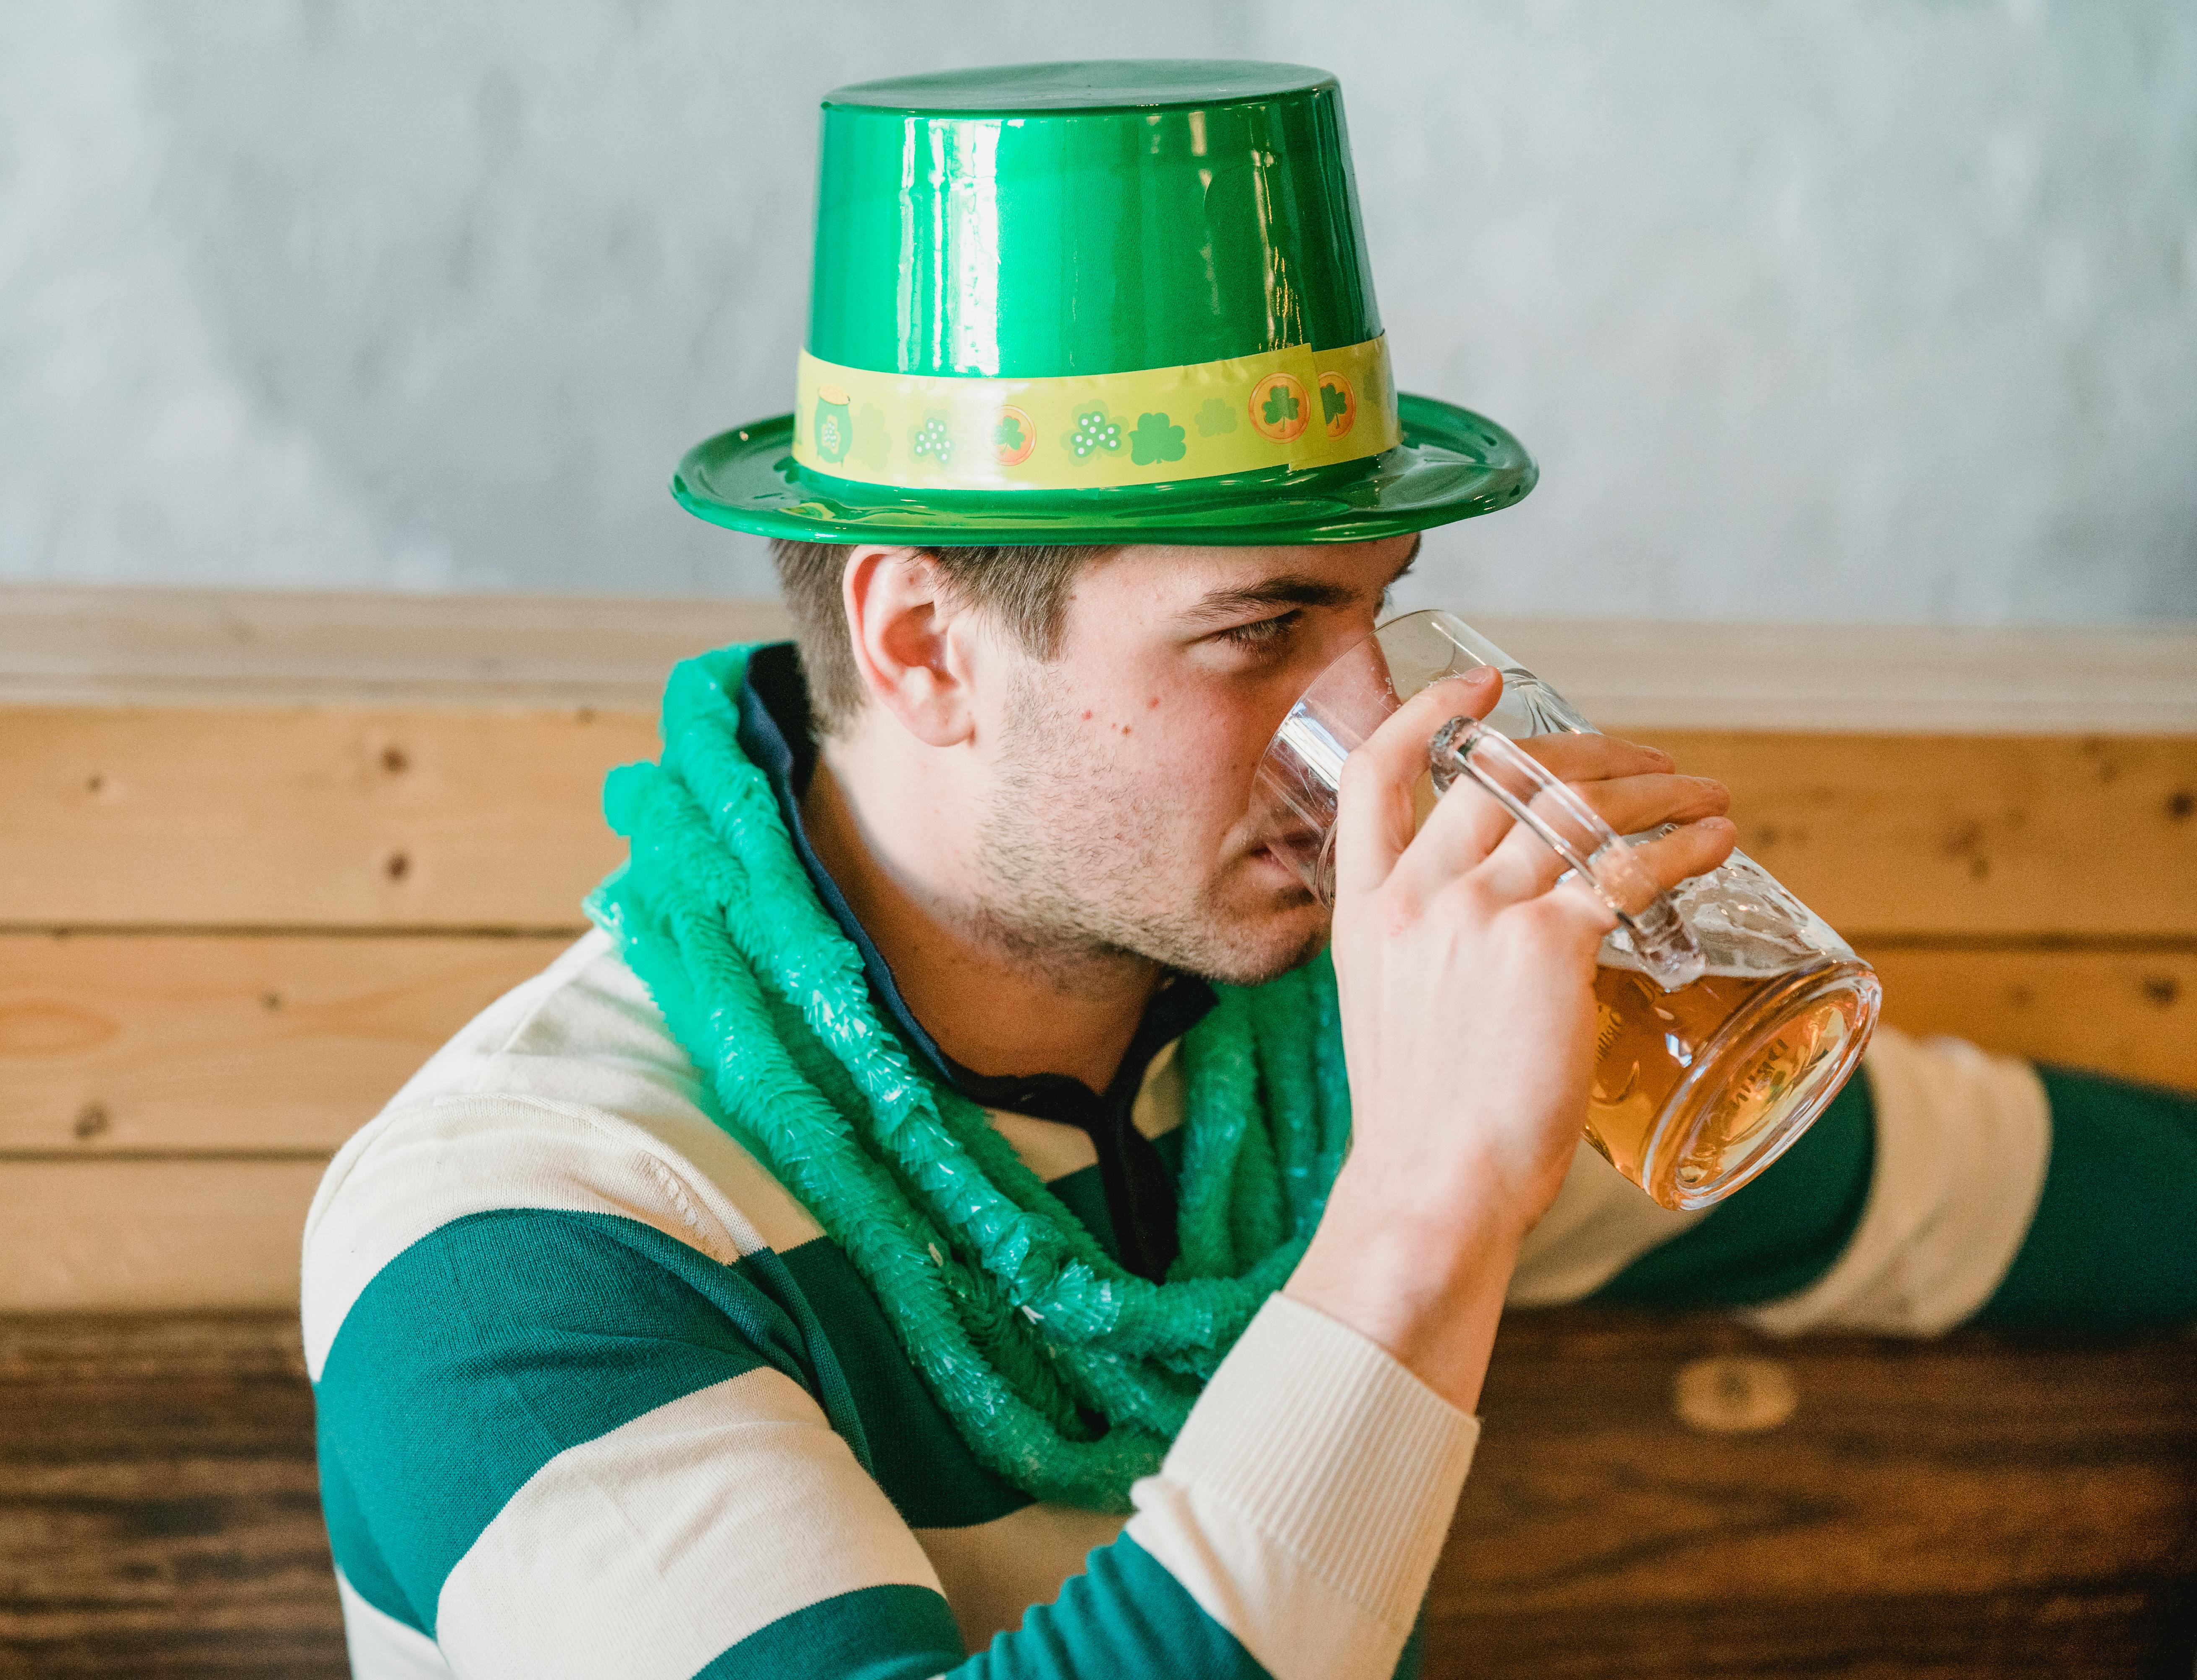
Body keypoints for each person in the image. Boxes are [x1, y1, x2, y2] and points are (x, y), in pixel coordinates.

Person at [302, 60, 2195, 1680]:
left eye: (1382, 619)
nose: (1384, 733)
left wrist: (1450, 1151)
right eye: (1259, 631)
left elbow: (1940, 1193)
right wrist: (1430, 1208)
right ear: (925, 647)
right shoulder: (523, 1233)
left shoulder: (1294, 1056)